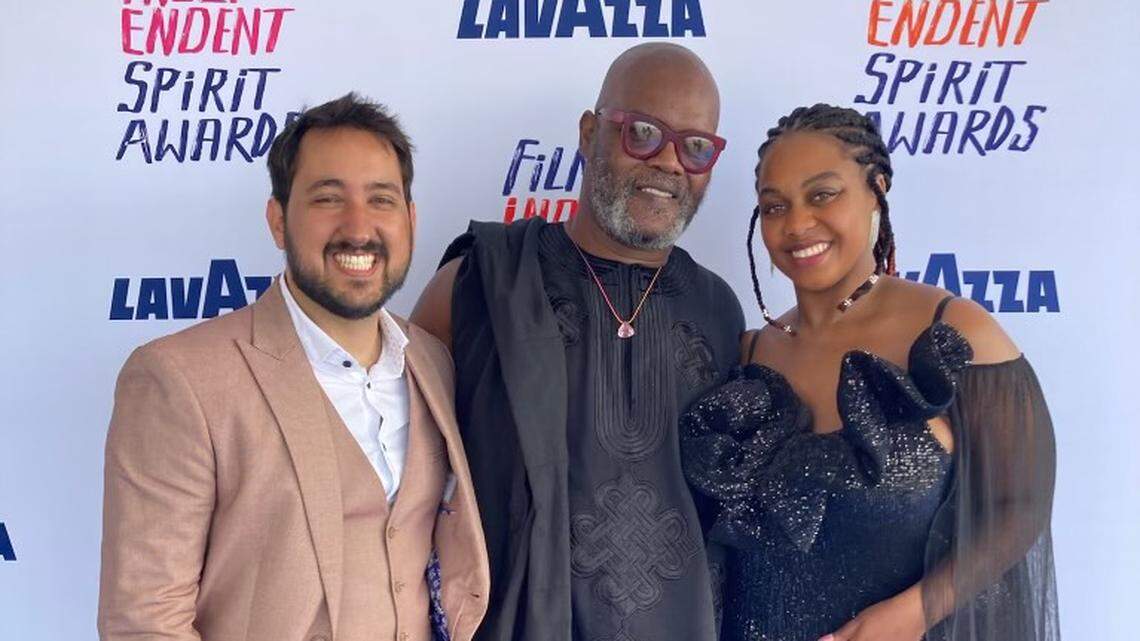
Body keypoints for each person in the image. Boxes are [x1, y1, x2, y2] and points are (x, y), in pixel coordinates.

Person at [99, 93, 490, 641]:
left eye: (382, 200)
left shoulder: (433, 362)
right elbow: (145, 622)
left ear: (410, 220)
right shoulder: (178, 379)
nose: (359, 228)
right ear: (279, 221)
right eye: (328, 199)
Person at [681, 104, 1059, 641]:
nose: (796, 224)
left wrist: (916, 612)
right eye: (773, 206)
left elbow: (1019, 506)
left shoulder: (953, 332)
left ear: (876, 188)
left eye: (822, 194)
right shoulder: (747, 355)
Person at [411, 43, 743, 641]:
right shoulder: (479, 283)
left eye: (696, 146)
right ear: (589, 133)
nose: (669, 162)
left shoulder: (719, 309)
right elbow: (403, 481)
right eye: (643, 132)